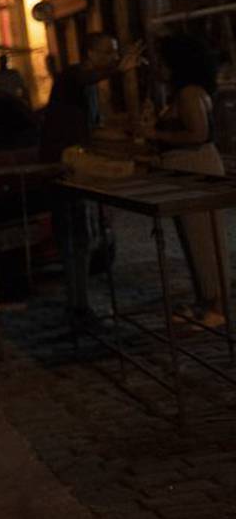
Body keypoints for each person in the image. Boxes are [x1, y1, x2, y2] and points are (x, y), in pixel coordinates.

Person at [40, 32, 143, 326]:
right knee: (72, 236)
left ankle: (79, 303)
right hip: (61, 166)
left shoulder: (90, 86)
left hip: (76, 164)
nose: (113, 56)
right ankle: (76, 304)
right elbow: (85, 79)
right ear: (90, 53)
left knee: (81, 237)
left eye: (115, 52)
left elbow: (93, 126)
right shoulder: (72, 76)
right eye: (108, 51)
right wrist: (117, 69)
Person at [138, 34, 228, 329]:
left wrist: (156, 135)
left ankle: (216, 306)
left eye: (162, 62)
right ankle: (204, 301)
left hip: (196, 168)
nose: (157, 68)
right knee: (191, 240)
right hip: (183, 171)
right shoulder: (179, 94)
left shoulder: (190, 93)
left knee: (204, 239)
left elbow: (198, 134)